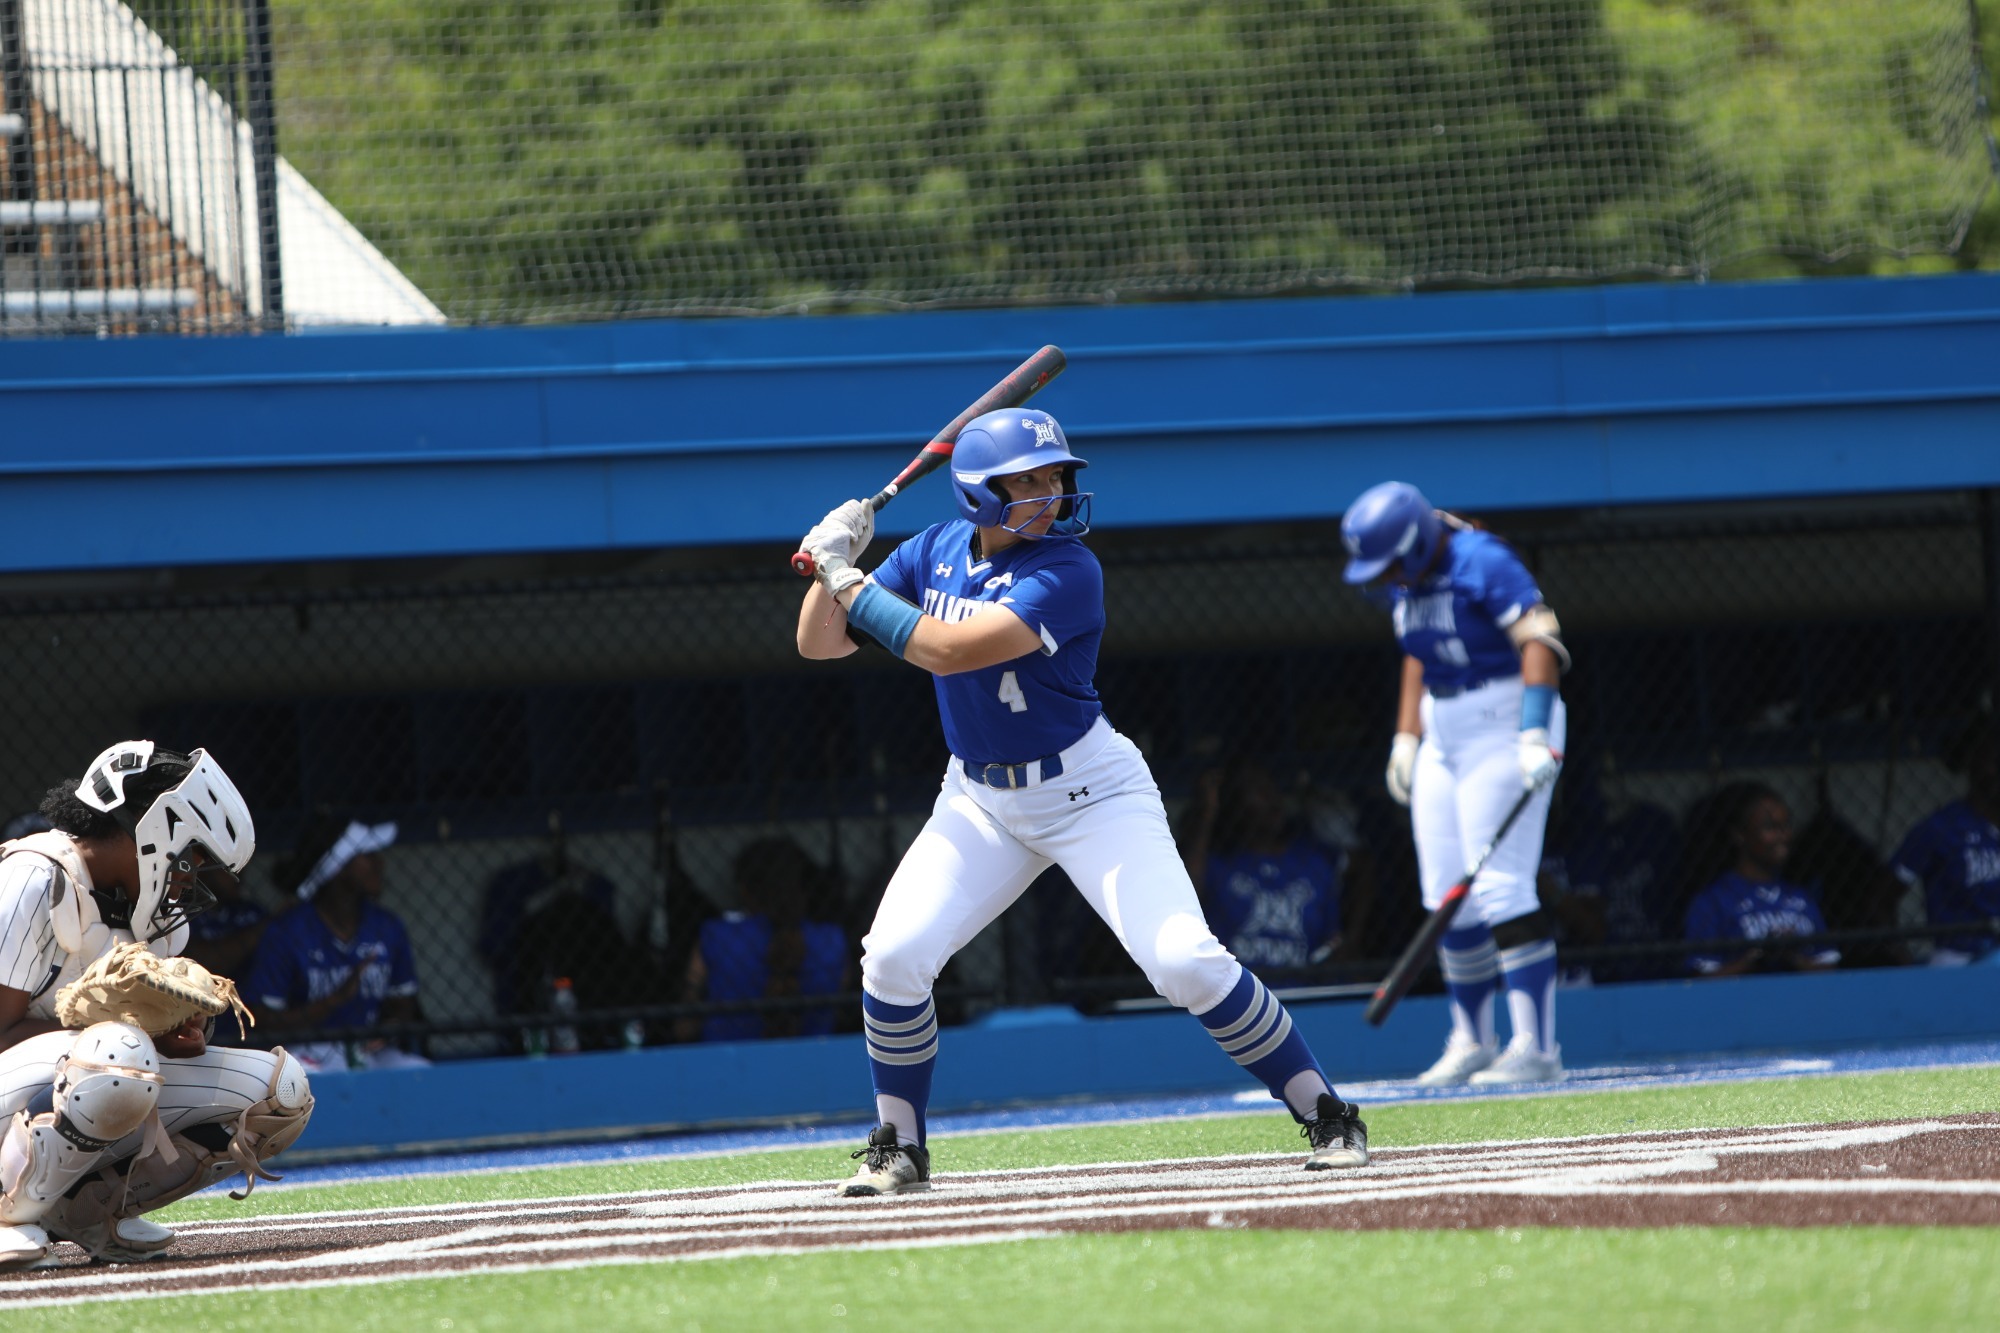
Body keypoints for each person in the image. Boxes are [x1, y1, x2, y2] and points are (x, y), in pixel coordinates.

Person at [796, 406, 1368, 1194]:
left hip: (1092, 790)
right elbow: (818, 641)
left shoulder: (1067, 571)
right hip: (979, 798)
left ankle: (1328, 1112)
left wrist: (847, 576)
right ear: (977, 493)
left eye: (1055, 476)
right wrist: (838, 553)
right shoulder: (931, 549)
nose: (1050, 492)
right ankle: (899, 1145)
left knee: (1184, 962)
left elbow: (942, 649)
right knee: (892, 957)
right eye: (1027, 480)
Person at [0, 741, 312, 1270]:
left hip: (77, 1074)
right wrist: (115, 1030)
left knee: (281, 1093)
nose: (190, 877)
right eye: (191, 857)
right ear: (150, 830)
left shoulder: (154, 920)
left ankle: (86, 1213)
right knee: (119, 1053)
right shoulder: (33, 878)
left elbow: (143, 1052)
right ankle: (8, 1214)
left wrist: (175, 1034)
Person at [1339, 481, 1570, 1085]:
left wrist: (1534, 732)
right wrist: (1407, 737)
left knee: (1498, 883)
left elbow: (1539, 642)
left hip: (1505, 717)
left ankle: (1537, 1048)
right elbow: (1420, 652)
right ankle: (1473, 1040)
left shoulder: (1483, 559)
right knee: (1445, 890)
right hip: (1445, 726)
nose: (1384, 577)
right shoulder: (1409, 581)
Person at [243, 816, 428, 1072]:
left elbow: (404, 1002)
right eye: (368, 856)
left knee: (416, 1069)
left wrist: (391, 1026)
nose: (379, 864)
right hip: (306, 1051)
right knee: (305, 1076)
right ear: (337, 866)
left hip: (365, 1050)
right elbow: (262, 1021)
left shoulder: (386, 926)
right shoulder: (289, 931)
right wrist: (332, 1002)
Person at [1180, 761, 1345, 975]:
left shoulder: (1313, 863)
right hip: (1235, 990)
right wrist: (1207, 813)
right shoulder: (1219, 865)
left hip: (1300, 992)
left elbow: (1334, 938)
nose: (1270, 798)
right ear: (1235, 804)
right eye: (1255, 790)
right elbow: (1185, 895)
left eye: (1271, 788)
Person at [681, 836, 850, 1042]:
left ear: (744, 890)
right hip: (818, 1062)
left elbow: (684, 1027)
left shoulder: (716, 936)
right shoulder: (832, 940)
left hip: (725, 1063)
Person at [1681, 782, 1840, 977]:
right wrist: (1757, 957)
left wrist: (1792, 957)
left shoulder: (1801, 897)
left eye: (1786, 825)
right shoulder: (1713, 901)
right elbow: (1701, 980)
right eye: (1770, 827)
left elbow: (1830, 971)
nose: (1783, 835)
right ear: (1740, 835)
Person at [1889, 718, 2000, 966]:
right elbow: (1881, 900)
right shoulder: (1941, 828)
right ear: (1972, 763)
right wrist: (1902, 958)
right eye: (1994, 761)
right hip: (1958, 957)